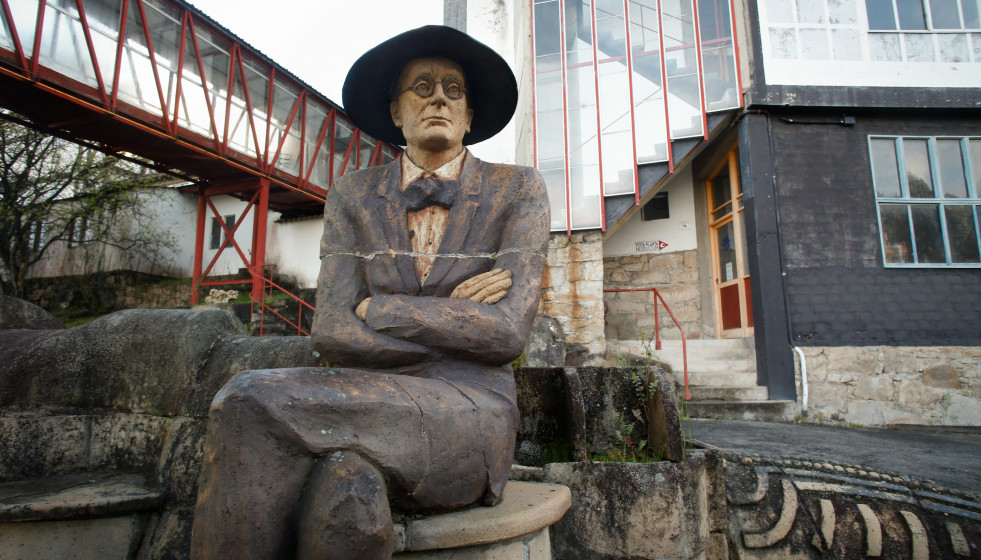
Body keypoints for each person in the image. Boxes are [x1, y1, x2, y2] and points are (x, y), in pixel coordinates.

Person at [190, 25, 548, 560]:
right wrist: (452, 321)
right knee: (344, 487)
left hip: (471, 409)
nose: (439, 99)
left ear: (470, 117)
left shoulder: (518, 189)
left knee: (249, 399)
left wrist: (382, 309)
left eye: (454, 90)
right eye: (422, 87)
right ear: (396, 112)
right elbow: (331, 329)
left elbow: (505, 332)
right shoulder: (353, 194)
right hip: (366, 397)